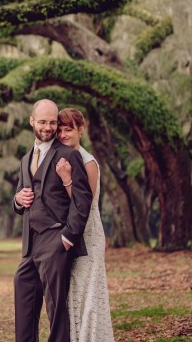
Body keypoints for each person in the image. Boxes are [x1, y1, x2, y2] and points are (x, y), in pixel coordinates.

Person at [13, 99, 93, 342]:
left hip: (56, 238)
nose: (48, 127)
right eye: (43, 122)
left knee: (56, 309)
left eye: (52, 122)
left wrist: (68, 238)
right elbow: (18, 202)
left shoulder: (68, 154)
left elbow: (83, 199)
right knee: (23, 292)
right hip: (31, 242)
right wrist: (18, 199)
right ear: (32, 122)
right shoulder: (26, 159)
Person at [55, 108, 115, 342]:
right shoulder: (65, 158)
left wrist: (67, 179)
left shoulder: (88, 162)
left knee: (89, 298)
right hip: (71, 234)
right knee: (75, 295)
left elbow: (84, 204)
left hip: (88, 236)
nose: (62, 134)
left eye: (68, 129)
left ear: (81, 129)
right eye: (60, 130)